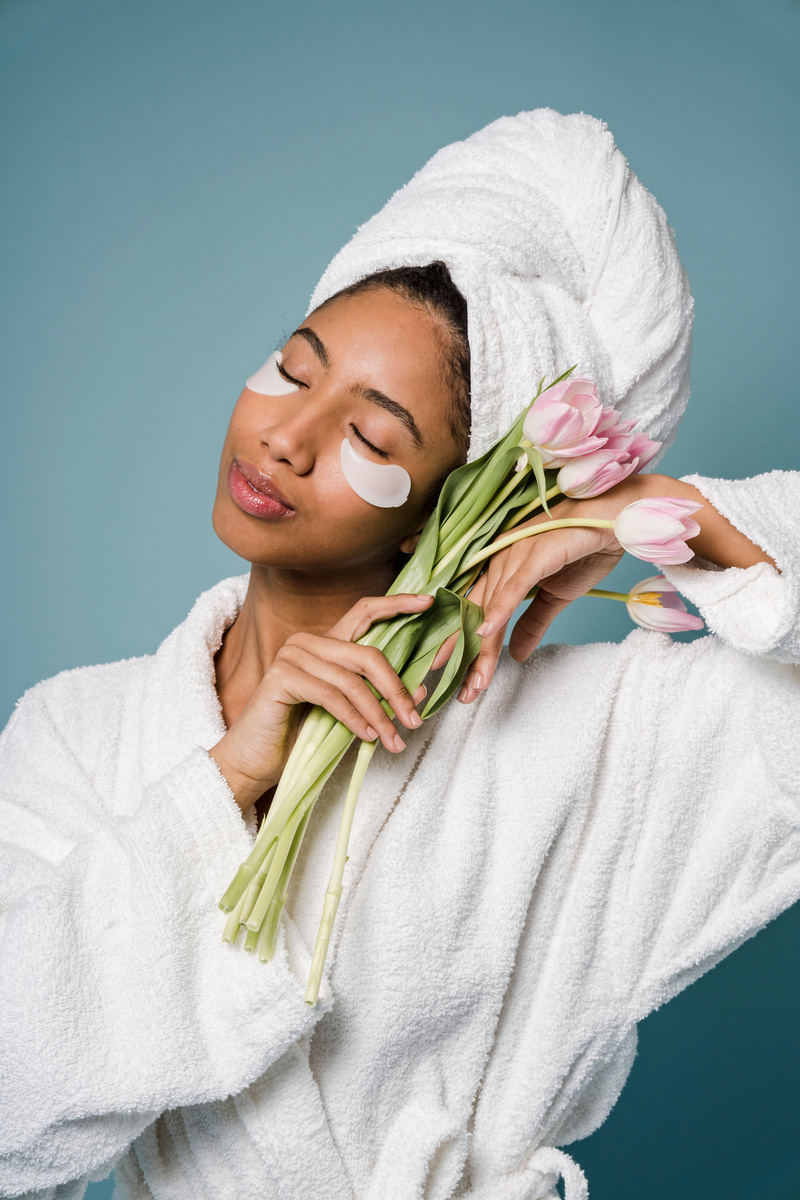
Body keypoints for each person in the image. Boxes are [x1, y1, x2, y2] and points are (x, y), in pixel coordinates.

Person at [1, 110, 798, 1200]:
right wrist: (223, 785)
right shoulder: (77, 734)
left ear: (452, 500)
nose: (284, 434)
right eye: (290, 368)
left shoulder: (595, 742)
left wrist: (659, 512)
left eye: (372, 437)